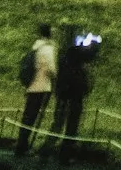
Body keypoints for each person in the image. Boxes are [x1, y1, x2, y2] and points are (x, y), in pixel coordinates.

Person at [52, 25, 103, 143]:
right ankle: (65, 153)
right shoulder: (77, 63)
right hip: (75, 95)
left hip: (63, 93)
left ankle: (48, 150)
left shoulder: (63, 59)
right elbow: (89, 56)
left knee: (58, 122)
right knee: (71, 124)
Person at [14, 19, 56, 154]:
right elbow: (52, 69)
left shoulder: (36, 46)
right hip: (42, 86)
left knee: (27, 116)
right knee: (32, 117)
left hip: (31, 86)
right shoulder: (48, 49)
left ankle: (21, 143)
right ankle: (23, 146)